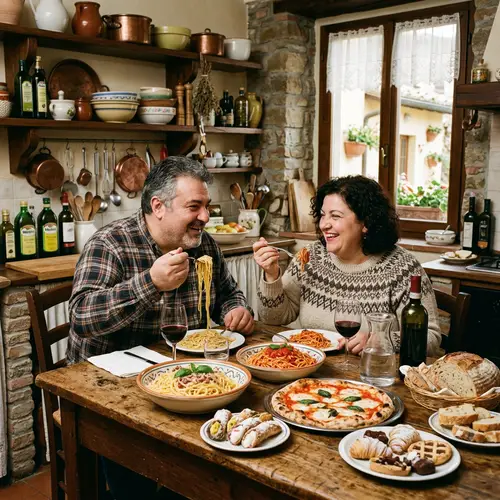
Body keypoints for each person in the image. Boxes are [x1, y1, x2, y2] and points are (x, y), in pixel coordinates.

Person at [67, 156, 254, 499]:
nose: (205, 217)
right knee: (140, 482)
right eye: (194, 206)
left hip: (183, 383)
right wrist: (150, 283)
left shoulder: (203, 244)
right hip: (110, 394)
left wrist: (236, 308)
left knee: (228, 451)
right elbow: (82, 317)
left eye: (206, 206)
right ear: (158, 206)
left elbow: (227, 292)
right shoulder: (111, 244)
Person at [253, 175, 441, 356]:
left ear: (365, 223)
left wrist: (383, 340)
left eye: (335, 216)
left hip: (373, 374)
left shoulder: (402, 268)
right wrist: (271, 275)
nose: (324, 224)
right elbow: (273, 319)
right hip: (311, 370)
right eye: (322, 215)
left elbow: (430, 339)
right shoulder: (311, 257)